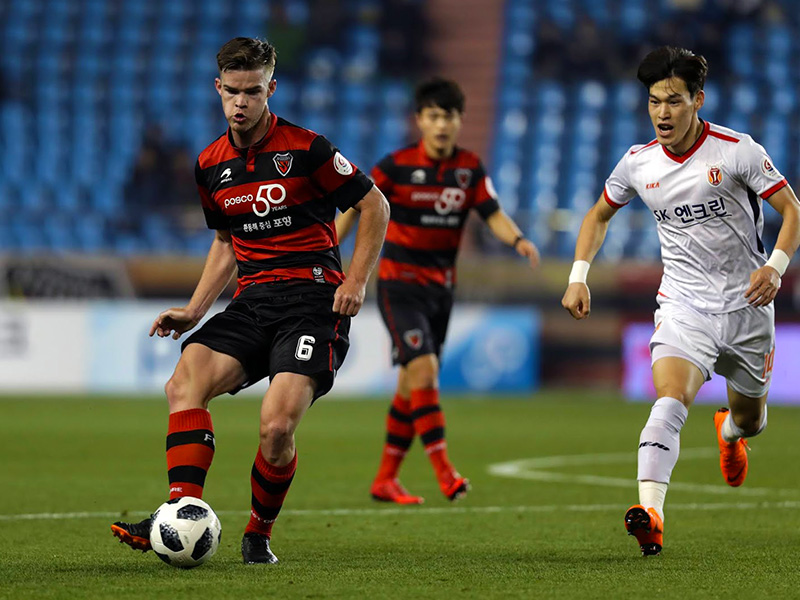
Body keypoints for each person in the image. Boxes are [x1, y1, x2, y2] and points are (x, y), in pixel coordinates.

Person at [110, 37, 389, 564]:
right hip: (253, 299)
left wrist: (356, 279)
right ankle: (181, 511)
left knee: (277, 427)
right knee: (184, 382)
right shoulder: (210, 165)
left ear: (270, 89)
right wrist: (194, 310)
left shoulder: (309, 149)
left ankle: (257, 533)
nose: (241, 103)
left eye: (252, 92)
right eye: (232, 92)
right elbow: (225, 242)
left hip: (313, 301)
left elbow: (375, 205)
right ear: (218, 88)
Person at [561, 46, 800, 556]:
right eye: (653, 102)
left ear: (698, 100)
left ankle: (731, 434)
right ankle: (652, 513)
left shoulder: (737, 152)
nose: (662, 113)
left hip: (748, 307)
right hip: (683, 306)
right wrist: (579, 276)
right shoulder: (637, 163)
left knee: (752, 418)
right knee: (669, 400)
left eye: (673, 101)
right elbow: (597, 216)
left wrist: (775, 269)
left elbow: (792, 211)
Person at [337, 77, 540, 504]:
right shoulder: (393, 167)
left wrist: (518, 240)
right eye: (433, 116)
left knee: (413, 385)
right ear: (420, 120)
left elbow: (492, 213)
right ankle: (445, 472)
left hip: (440, 293)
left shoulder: (469, 169)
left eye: (448, 116)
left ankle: (385, 479)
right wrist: (324, 249)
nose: (441, 124)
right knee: (425, 371)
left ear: (459, 120)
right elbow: (356, 207)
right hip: (398, 285)